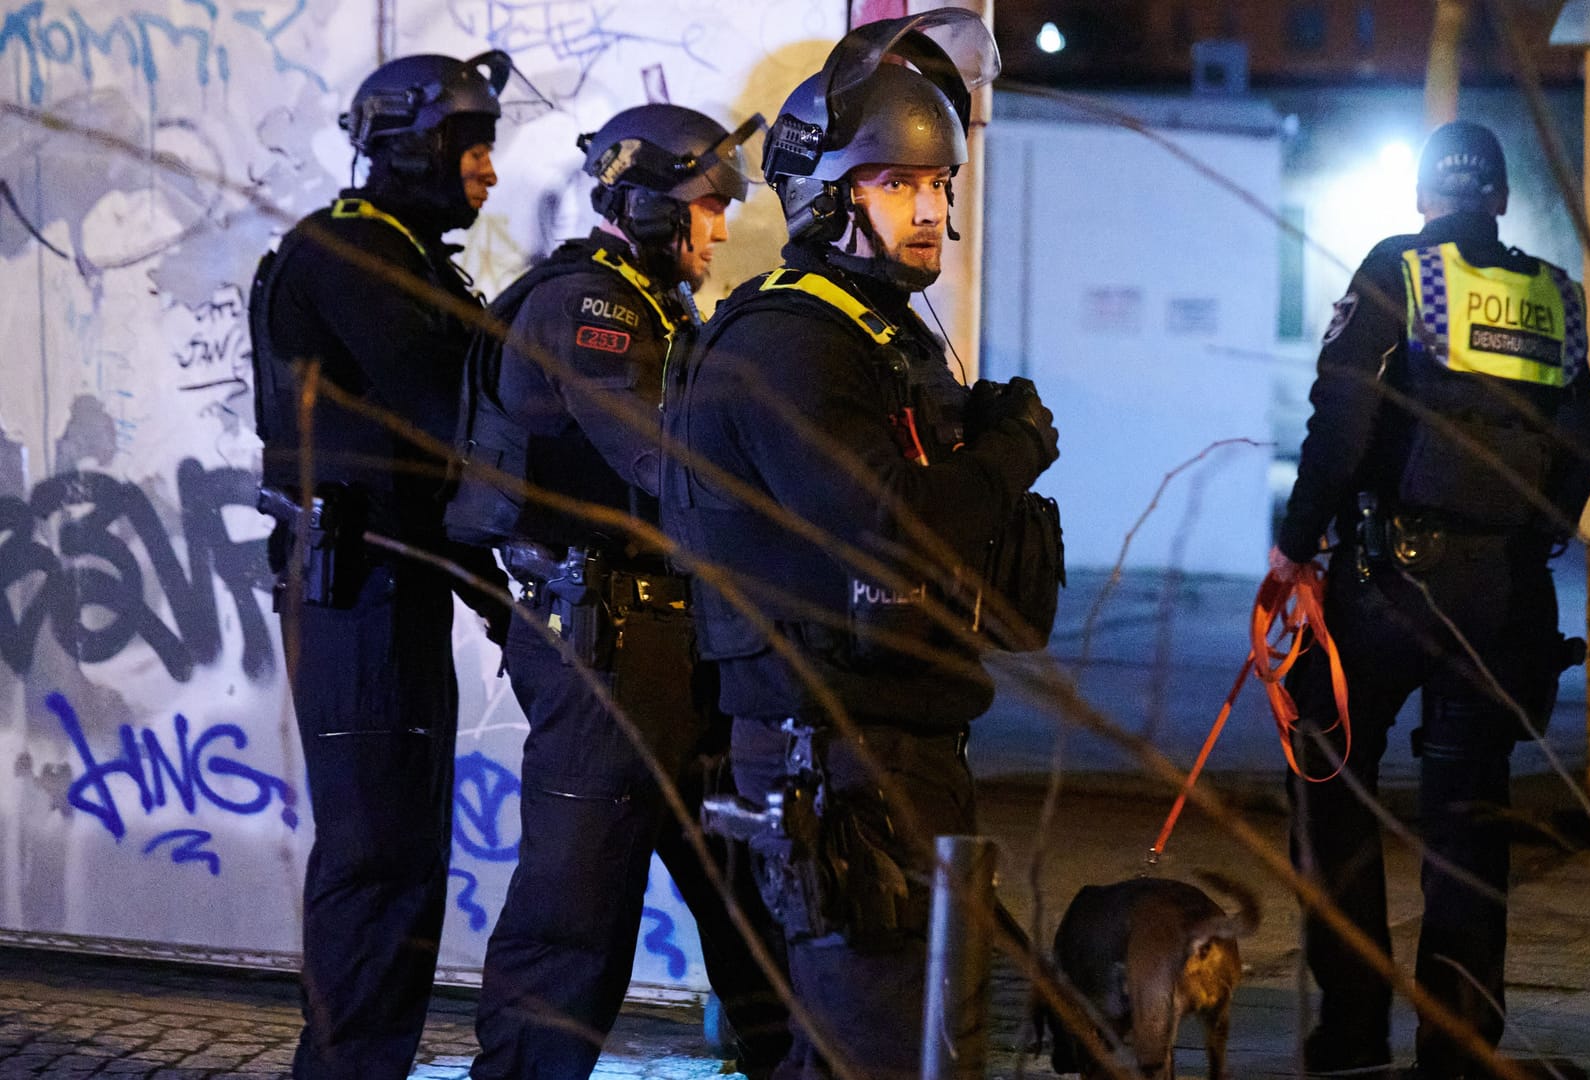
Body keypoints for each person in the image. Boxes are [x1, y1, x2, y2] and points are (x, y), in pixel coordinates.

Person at [660, 12, 1059, 1078]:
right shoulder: (792, 340)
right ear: (830, 196)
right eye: (899, 186)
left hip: (900, 742)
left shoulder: (876, 334)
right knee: (868, 1050)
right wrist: (1007, 457)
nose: (931, 209)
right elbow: (889, 524)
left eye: (939, 188)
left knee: (897, 1043)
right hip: (833, 756)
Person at [446, 103, 792, 1079]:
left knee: (750, 902)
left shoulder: (644, 300)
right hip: (607, 650)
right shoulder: (589, 306)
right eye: (705, 207)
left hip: (671, 646)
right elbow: (662, 459)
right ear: (644, 208)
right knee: (574, 910)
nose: (720, 226)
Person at [1270, 121, 1590, 1080]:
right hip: (1502, 595)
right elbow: (1589, 422)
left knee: (1330, 779)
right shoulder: (1553, 295)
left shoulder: (1403, 270)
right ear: (1500, 199)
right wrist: (1538, 531)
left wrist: (1296, 544)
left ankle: (1350, 1030)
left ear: (1426, 196)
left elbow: (1341, 414)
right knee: (1470, 817)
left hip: (1385, 585)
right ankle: (1459, 1045)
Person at [247, 50, 515, 1080]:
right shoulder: (353, 252)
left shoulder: (404, 254)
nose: (487, 172)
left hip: (390, 594)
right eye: (472, 148)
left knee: (401, 865)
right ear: (411, 146)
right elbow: (451, 410)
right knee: (375, 864)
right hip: (356, 593)